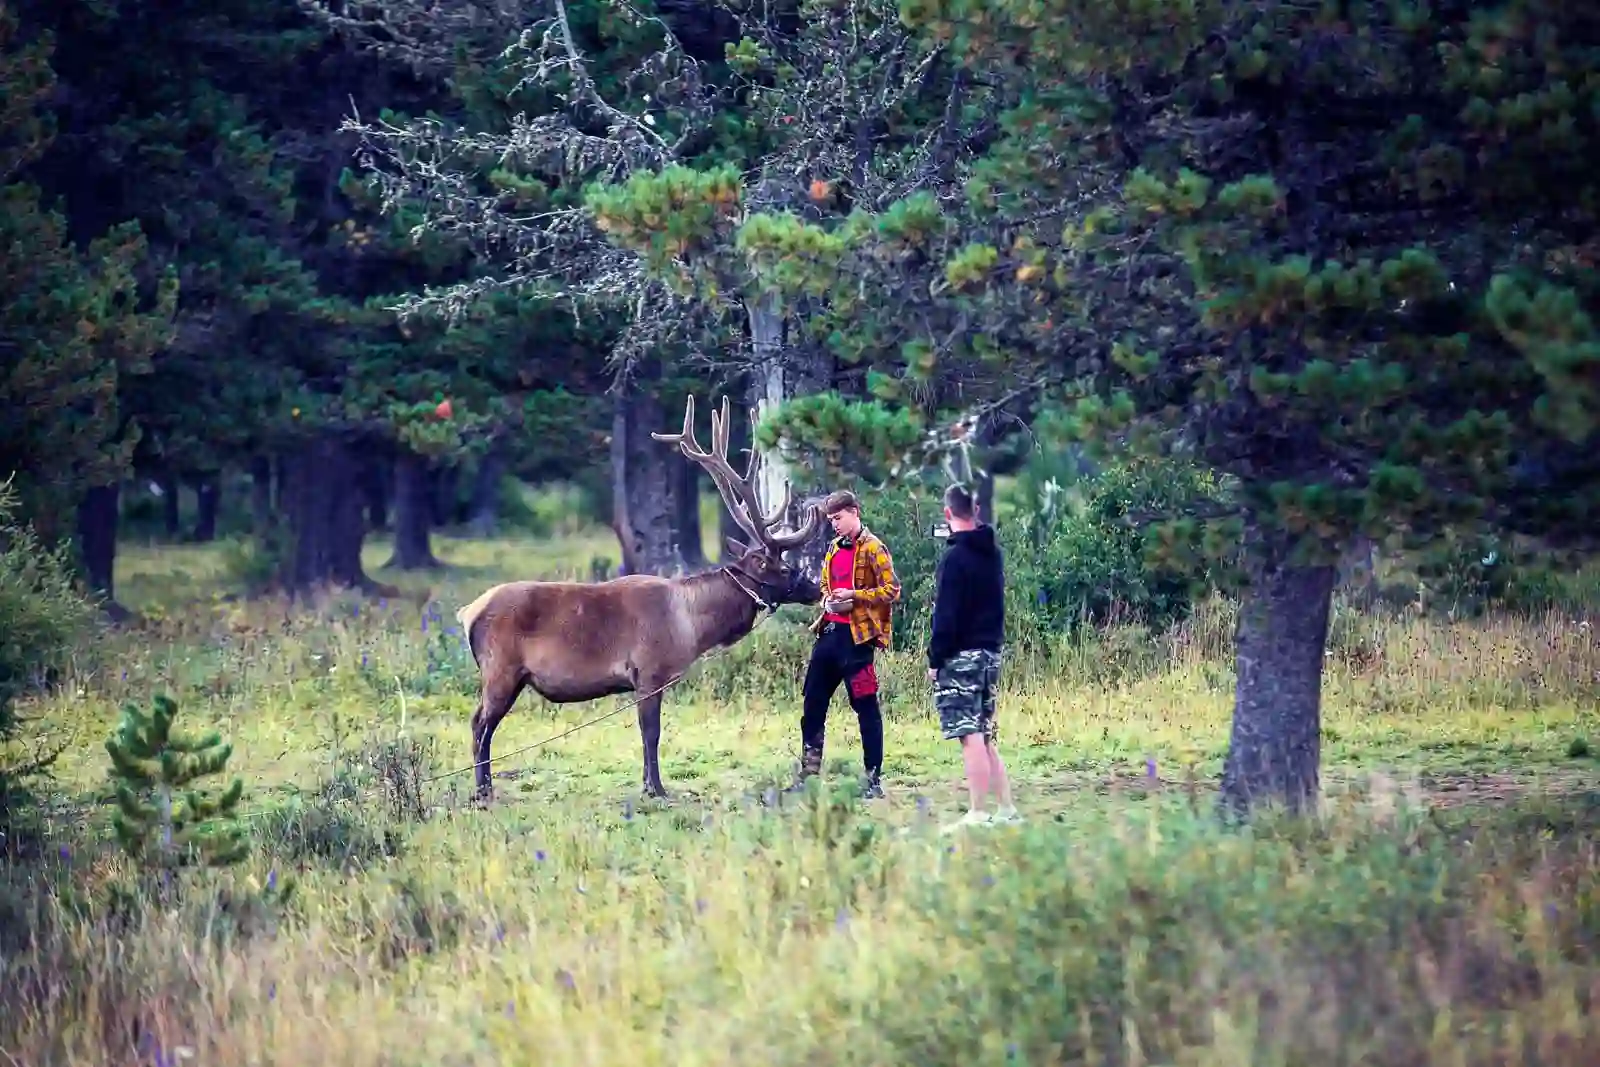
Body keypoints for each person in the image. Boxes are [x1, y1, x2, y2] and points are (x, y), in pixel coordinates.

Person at [796, 489, 902, 799]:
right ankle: (808, 776)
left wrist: (855, 596)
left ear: (855, 512)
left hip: (857, 641)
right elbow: (825, 583)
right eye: (831, 520)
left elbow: (892, 590)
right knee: (812, 703)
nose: (835, 524)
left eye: (839, 518)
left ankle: (872, 779)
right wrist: (828, 599)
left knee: (866, 708)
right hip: (829, 634)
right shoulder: (833, 547)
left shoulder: (873, 548)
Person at [928, 483, 1020, 831]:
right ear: (977, 510)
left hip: (961, 656)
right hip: (990, 652)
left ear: (948, 513)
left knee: (970, 736)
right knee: (984, 733)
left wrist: (935, 659)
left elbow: (946, 616)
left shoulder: (954, 559)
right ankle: (1006, 808)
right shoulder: (991, 553)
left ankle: (978, 813)